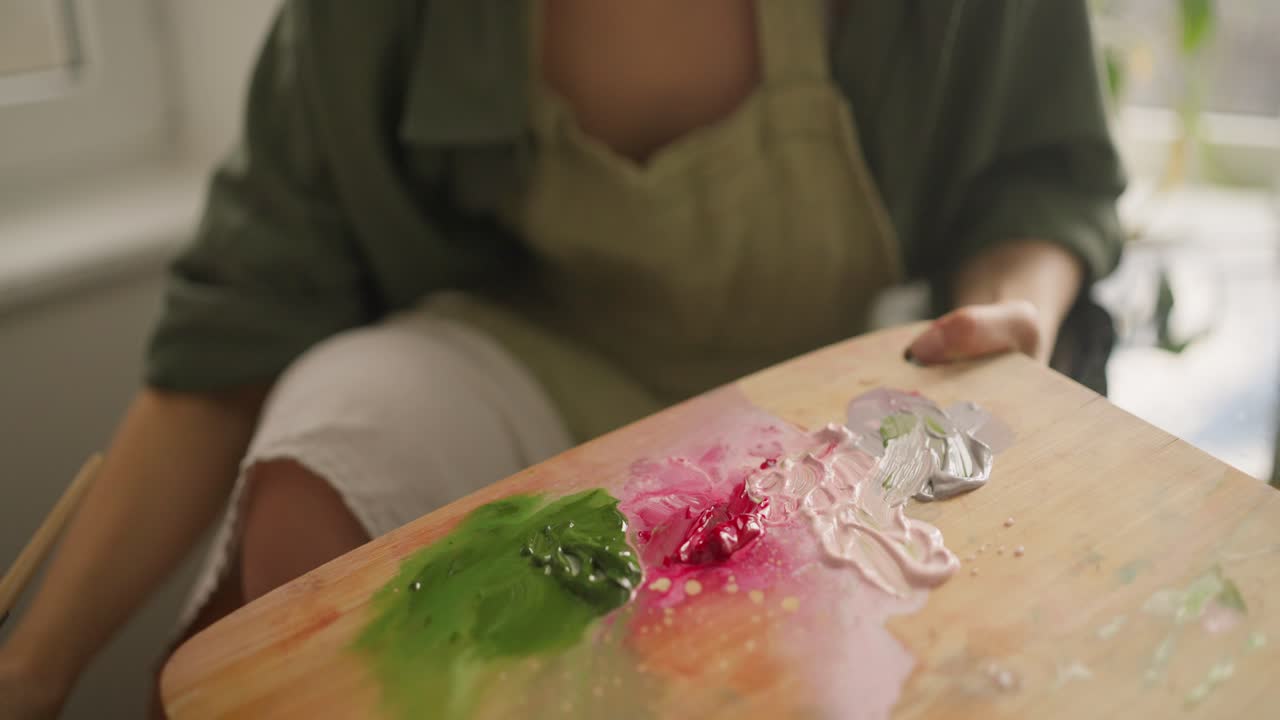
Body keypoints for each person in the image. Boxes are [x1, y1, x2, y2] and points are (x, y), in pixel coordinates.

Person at [0, 1, 1125, 716]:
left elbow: (1040, 177)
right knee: (329, 441)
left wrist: (1008, 314)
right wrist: (34, 668)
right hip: (527, 366)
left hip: (823, 389)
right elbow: (240, 320)